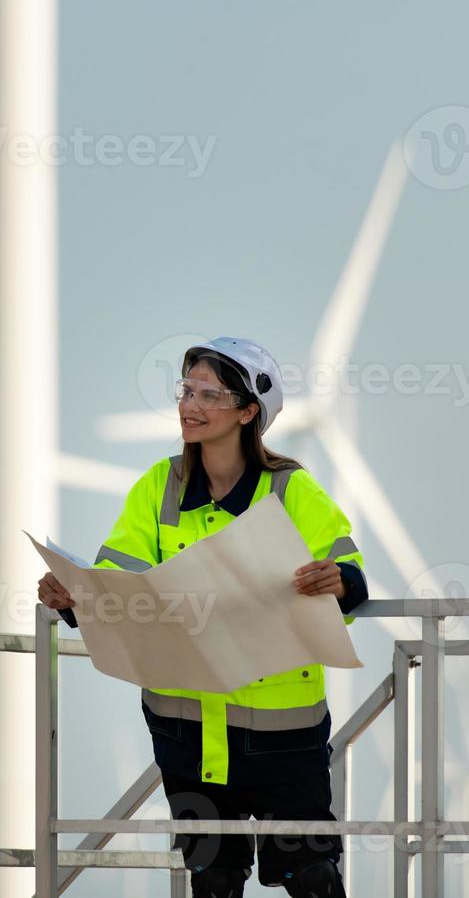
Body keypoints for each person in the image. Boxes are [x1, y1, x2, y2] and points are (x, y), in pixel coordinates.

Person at [37, 337, 367, 898]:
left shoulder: (292, 489)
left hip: (282, 738)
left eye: (208, 393)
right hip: (184, 735)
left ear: (247, 412)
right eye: (186, 389)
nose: (189, 404)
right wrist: (74, 598)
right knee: (212, 880)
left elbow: (348, 571)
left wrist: (340, 581)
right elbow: (118, 591)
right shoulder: (155, 488)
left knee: (312, 878)